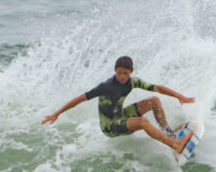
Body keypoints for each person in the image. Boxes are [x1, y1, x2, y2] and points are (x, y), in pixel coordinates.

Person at [42, 56, 195, 154]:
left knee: (154, 100)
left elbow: (157, 88)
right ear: (115, 70)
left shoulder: (132, 81)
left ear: (131, 71)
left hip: (120, 116)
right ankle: (174, 144)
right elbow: (79, 99)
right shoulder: (105, 86)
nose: (122, 77)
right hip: (109, 126)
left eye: (126, 73)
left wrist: (179, 96)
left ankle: (168, 132)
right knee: (143, 122)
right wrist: (57, 113)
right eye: (119, 73)